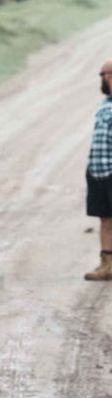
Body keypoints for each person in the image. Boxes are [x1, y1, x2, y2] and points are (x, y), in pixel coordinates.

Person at [85, 60, 112, 280]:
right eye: (103, 74)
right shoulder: (105, 104)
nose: (104, 79)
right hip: (99, 170)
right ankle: (106, 265)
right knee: (105, 219)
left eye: (106, 74)